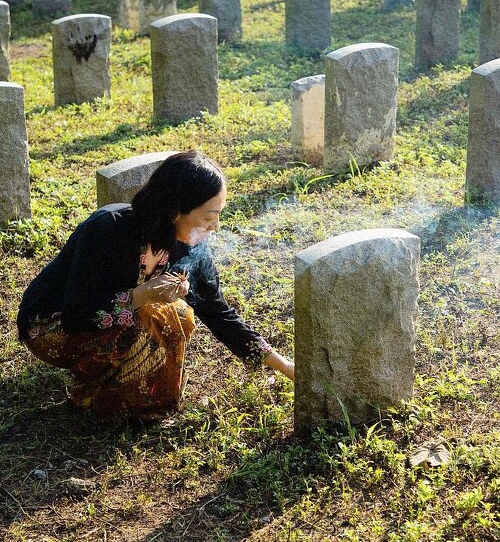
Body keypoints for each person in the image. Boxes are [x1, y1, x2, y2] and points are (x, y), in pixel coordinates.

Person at [16, 150, 294, 420]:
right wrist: (140, 296)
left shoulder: (189, 246)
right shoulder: (107, 229)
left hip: (106, 322)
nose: (216, 226)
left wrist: (284, 366)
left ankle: (126, 396)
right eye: (209, 217)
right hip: (51, 326)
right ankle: (93, 389)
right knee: (158, 313)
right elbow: (75, 316)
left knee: (177, 313)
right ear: (175, 211)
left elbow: (219, 314)